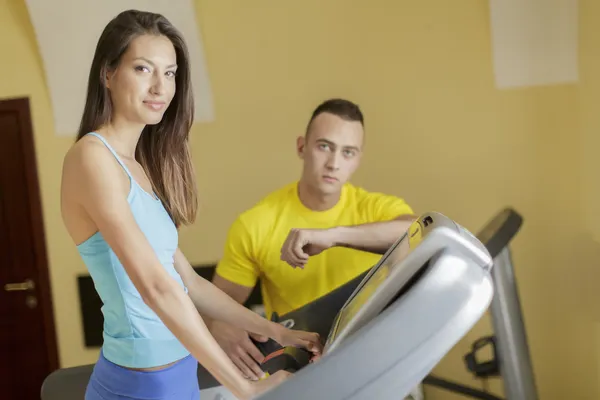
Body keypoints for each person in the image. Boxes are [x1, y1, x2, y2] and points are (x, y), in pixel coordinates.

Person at [60, 10, 321, 400]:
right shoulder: (92, 158)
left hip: (176, 373)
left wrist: (276, 331)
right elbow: (156, 288)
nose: (160, 86)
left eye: (170, 72)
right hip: (141, 383)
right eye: (144, 69)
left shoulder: (138, 167)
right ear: (108, 73)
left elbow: (189, 283)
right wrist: (247, 388)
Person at [209, 98, 417, 380]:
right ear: (301, 147)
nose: (333, 163)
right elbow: (215, 305)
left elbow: (415, 231)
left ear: (358, 159)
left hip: (368, 362)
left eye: (348, 152)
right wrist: (217, 325)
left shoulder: (376, 208)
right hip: (298, 374)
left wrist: (334, 236)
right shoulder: (255, 224)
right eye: (324, 147)